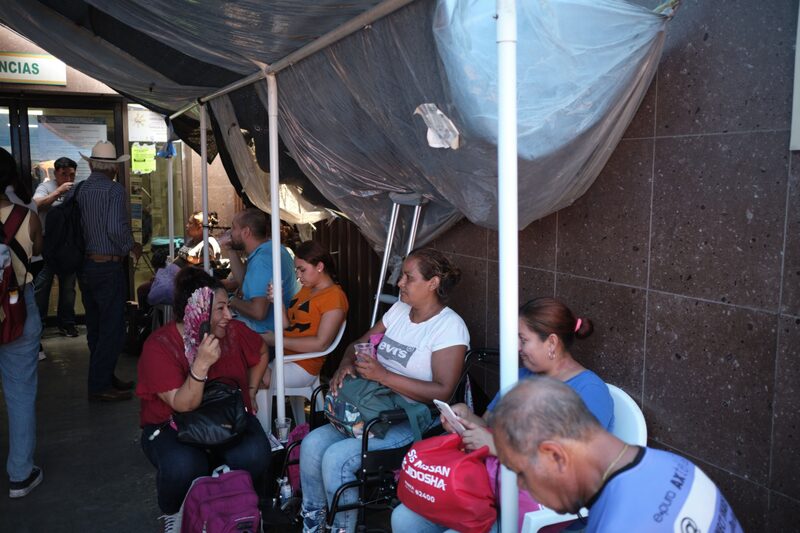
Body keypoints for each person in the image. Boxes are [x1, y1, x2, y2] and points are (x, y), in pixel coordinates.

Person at [392, 297, 614, 533]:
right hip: (493, 488)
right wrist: (466, 418)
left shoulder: (590, 391)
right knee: (404, 517)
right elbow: (488, 424)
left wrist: (498, 447)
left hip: (544, 508)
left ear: (551, 342)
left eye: (523, 339)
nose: (517, 348)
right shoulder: (520, 375)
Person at [300, 248, 470, 533]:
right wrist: (345, 364)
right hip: (371, 408)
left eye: (408, 277)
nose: (400, 283)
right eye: (402, 275)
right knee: (312, 443)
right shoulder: (400, 311)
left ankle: (342, 528)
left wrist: (384, 375)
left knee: (336, 458)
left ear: (433, 283)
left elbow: (443, 390)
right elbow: (358, 344)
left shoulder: (449, 327)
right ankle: (314, 519)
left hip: (409, 417)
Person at [493, 378, 743, 532]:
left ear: (555, 455)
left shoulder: (620, 526)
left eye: (520, 472)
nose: (520, 484)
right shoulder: (677, 464)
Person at [136, 267, 271, 525]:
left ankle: (233, 508)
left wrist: (250, 393)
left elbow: (262, 350)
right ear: (195, 311)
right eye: (220, 308)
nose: (228, 315)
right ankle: (175, 515)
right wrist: (200, 365)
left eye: (228, 306)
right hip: (173, 422)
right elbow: (182, 404)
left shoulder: (232, 332)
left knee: (254, 454)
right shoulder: (159, 346)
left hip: (225, 414)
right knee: (184, 465)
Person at [255, 240, 349, 432]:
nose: (298, 275)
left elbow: (321, 344)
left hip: (303, 365)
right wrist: (278, 303)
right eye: (297, 270)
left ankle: (263, 434)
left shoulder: (334, 298)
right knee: (248, 360)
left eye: (302, 270)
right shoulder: (307, 290)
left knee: (256, 377)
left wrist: (277, 340)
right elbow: (289, 326)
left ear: (320, 266)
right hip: (284, 356)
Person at [75, 140, 142, 402]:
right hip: (107, 265)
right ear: (113, 168)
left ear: (92, 164)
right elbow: (115, 229)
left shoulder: (79, 190)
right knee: (112, 328)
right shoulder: (114, 191)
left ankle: (103, 376)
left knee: (95, 326)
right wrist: (131, 246)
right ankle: (100, 384)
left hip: (86, 266)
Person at [0, 148, 44, 498]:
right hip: (17, 307)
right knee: (19, 393)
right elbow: (35, 255)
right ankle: (20, 474)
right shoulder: (26, 216)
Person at [221, 208, 297, 334]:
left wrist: (231, 300)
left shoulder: (262, 261)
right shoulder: (269, 248)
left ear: (246, 232)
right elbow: (243, 281)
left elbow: (258, 313)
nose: (230, 233)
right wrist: (230, 249)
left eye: (233, 228)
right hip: (274, 330)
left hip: (265, 335)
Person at [32, 156, 79, 338]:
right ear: (55, 173)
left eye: (71, 175)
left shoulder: (76, 189)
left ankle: (67, 323)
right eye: (63, 174)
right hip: (47, 245)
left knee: (68, 288)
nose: (68, 179)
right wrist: (57, 192)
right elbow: (34, 205)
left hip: (68, 246)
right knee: (42, 287)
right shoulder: (46, 187)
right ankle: (39, 325)